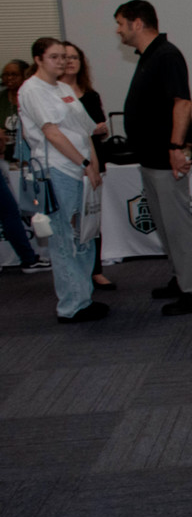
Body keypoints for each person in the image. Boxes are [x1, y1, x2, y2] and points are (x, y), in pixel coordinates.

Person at [115, 0, 192, 316]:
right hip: (150, 158)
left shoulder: (166, 55)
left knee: (178, 226)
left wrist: (175, 148)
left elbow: (182, 103)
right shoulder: (149, 56)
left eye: (120, 23)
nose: (118, 31)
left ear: (137, 23)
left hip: (165, 157)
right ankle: (181, 279)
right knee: (164, 225)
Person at [18, 37, 106, 322]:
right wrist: (81, 162)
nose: (62, 61)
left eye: (64, 57)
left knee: (84, 236)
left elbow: (85, 131)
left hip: (80, 171)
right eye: (54, 57)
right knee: (64, 240)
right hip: (56, 171)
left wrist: (92, 164)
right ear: (39, 59)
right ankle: (71, 306)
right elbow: (52, 133)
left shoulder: (65, 88)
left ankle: (85, 296)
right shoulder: (32, 89)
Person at [61, 41, 115, 291]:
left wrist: (99, 130)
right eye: (65, 57)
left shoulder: (90, 95)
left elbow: (98, 128)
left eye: (75, 57)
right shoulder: (54, 94)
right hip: (69, 163)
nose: (70, 62)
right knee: (71, 223)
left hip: (93, 159)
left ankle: (95, 271)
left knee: (92, 217)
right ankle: (76, 273)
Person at [1, 58, 51, 274]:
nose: (8, 79)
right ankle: (29, 259)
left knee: (10, 211)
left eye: (14, 74)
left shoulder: (29, 97)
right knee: (9, 211)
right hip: (9, 160)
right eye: (6, 75)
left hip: (24, 160)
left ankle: (29, 258)